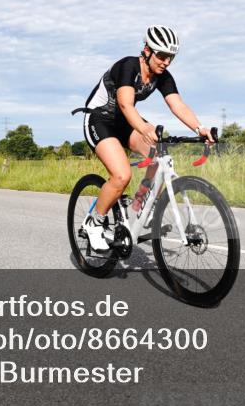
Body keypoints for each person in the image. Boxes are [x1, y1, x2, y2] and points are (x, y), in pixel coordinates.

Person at [73, 26, 214, 251]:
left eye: (171, 57)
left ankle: (140, 204)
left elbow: (177, 105)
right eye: (162, 55)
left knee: (159, 155)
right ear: (147, 50)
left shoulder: (162, 76)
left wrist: (200, 128)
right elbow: (125, 104)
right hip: (99, 120)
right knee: (121, 175)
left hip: (124, 122)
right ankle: (94, 222)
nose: (166, 62)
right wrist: (144, 127)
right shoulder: (128, 66)